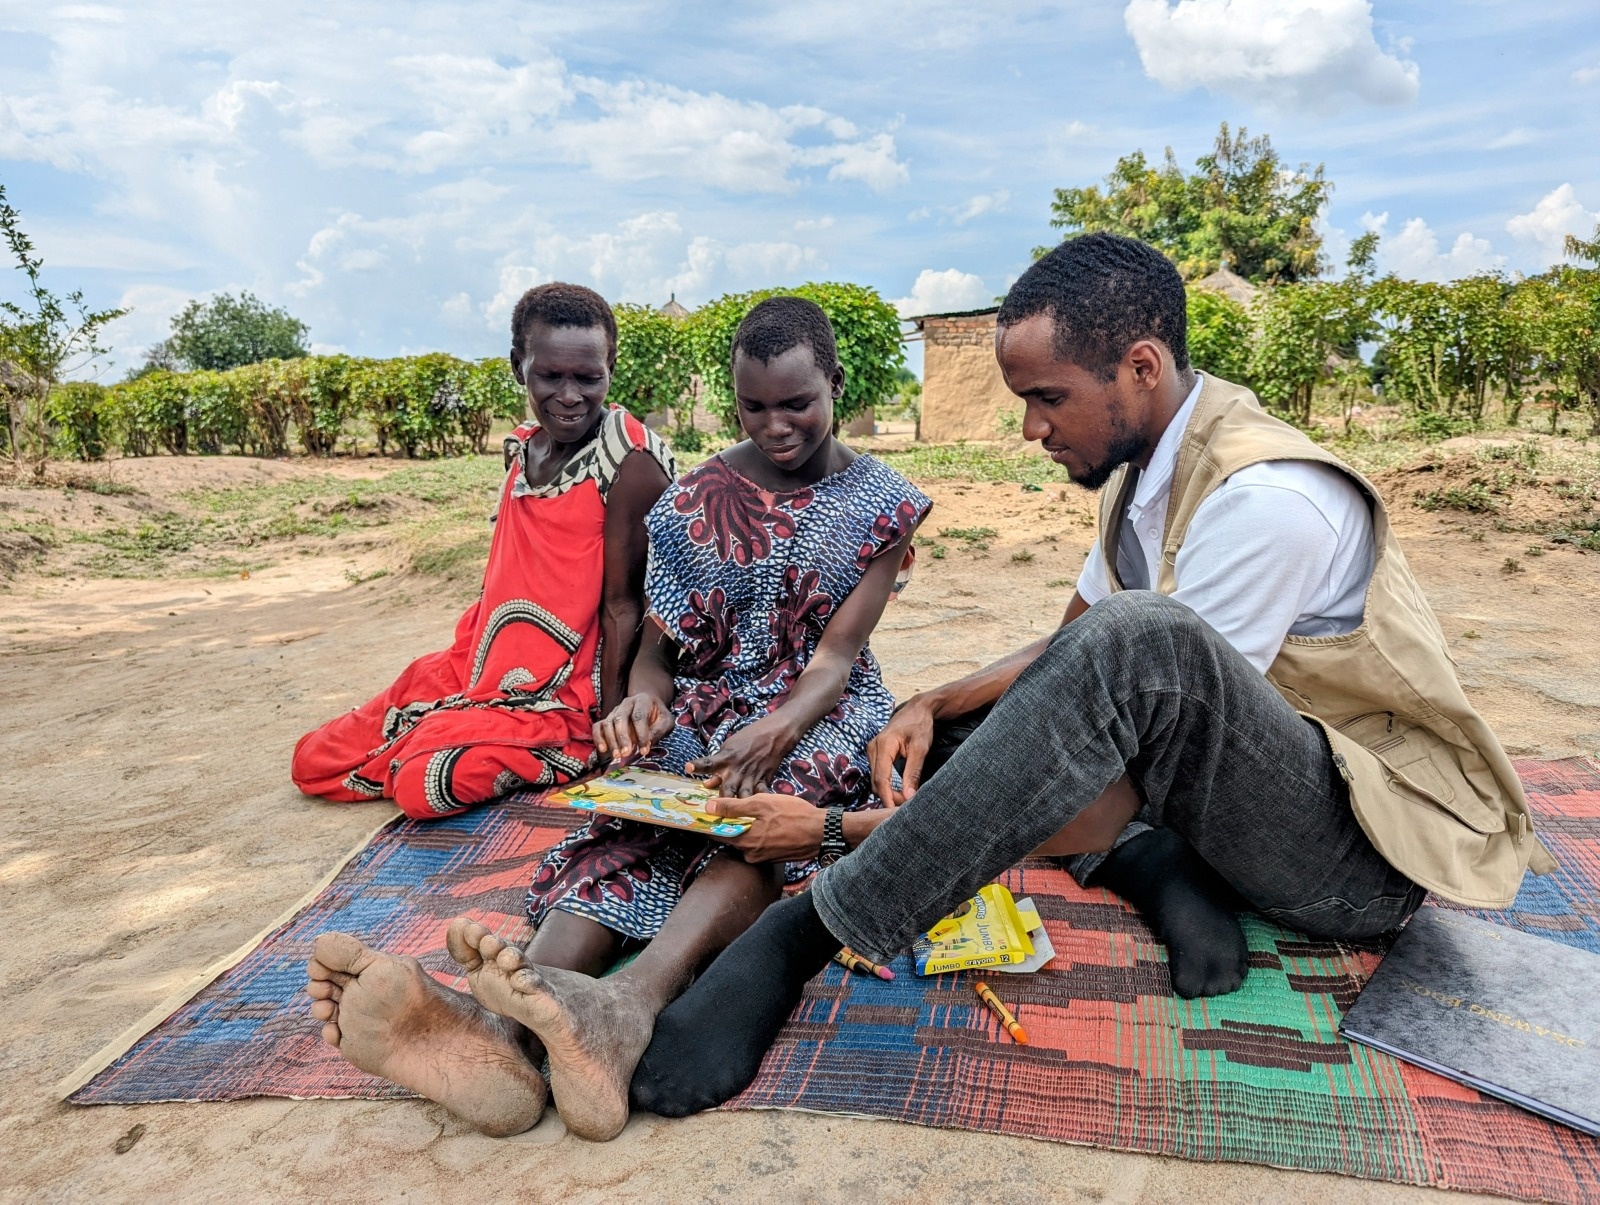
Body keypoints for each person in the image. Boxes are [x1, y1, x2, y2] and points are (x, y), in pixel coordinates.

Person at [623, 232, 1558, 1119]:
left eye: (1047, 397)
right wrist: (933, 702)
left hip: (1365, 855)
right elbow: (1065, 654)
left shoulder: (1267, 501)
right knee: (971, 731)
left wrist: (832, 830)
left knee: (1134, 649)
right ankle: (1155, 863)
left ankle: (801, 940)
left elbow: (1099, 779)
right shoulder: (1141, 463)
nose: (1030, 427)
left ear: (1140, 369)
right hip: (1243, 785)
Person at [305, 296, 930, 1141]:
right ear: (734, 398)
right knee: (633, 814)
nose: (776, 424)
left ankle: (628, 1005)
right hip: (708, 697)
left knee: (757, 818)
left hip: (816, 705)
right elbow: (656, 651)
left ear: (837, 385)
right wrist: (643, 699)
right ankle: (504, 1030)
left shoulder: (883, 503)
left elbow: (834, 659)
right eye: (755, 406)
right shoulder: (699, 496)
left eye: (798, 403)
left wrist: (777, 728)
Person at [289, 283, 673, 820]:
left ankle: (522, 746)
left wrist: (605, 734)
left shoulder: (628, 458)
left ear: (610, 366)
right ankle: (447, 727)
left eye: (588, 377)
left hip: (566, 696)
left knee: (424, 784)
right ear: (519, 365)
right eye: (550, 376)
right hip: (479, 666)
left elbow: (625, 606)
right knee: (313, 761)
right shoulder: (521, 449)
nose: (569, 395)